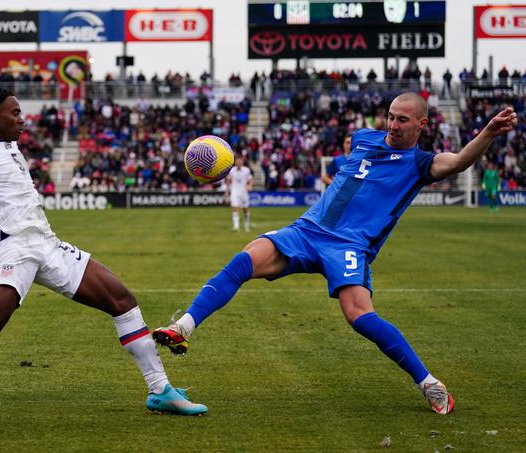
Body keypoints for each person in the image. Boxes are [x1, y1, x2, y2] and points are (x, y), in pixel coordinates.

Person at [153, 92, 517, 415]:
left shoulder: (420, 163)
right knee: (243, 261)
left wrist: (487, 132)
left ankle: (428, 383)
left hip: (349, 245)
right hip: (306, 230)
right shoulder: (362, 139)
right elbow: (351, 173)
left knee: (358, 315)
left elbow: (456, 162)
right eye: (390, 116)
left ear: (422, 124)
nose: (393, 124)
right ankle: (183, 327)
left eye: (402, 120)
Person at [0, 87, 207, 427]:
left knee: (122, 300)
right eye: (14, 112)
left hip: (47, 243)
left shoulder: (11, 146)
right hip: (15, 246)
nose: (21, 118)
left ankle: (160, 388)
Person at [226, 155, 253, 232]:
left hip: (243, 191)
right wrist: (227, 191)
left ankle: (246, 225)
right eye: (237, 160)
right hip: (234, 190)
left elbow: (250, 179)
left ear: (242, 161)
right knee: (235, 207)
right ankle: (236, 227)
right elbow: (228, 180)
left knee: (245, 209)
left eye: (240, 160)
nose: (238, 162)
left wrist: (249, 186)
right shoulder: (231, 170)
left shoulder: (247, 170)